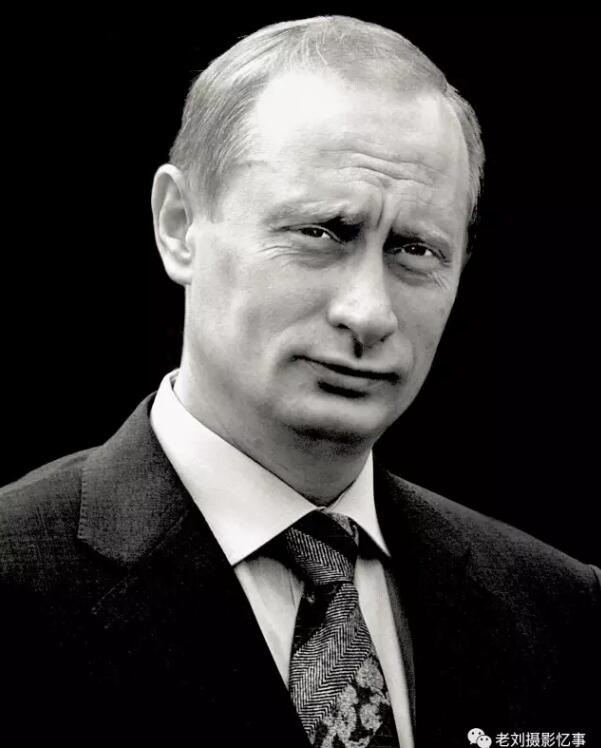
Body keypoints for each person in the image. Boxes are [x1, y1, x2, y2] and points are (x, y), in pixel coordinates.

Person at [1, 16, 598, 748]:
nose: (369, 313)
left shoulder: (559, 611)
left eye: (414, 249)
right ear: (179, 225)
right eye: (321, 233)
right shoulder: (14, 586)